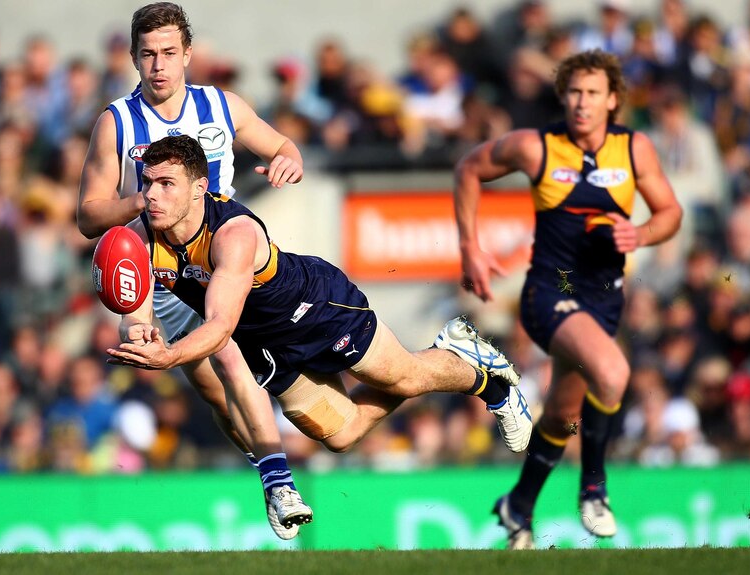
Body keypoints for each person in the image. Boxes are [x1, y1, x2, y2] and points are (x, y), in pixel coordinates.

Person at [103, 134, 533, 482]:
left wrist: (172, 356)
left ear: (200, 188)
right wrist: (139, 333)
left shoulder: (232, 235)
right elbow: (135, 309)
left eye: (166, 184)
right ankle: (448, 348)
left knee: (405, 378)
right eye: (147, 183)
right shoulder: (139, 237)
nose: (151, 196)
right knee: (342, 435)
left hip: (315, 309)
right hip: (265, 343)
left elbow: (219, 325)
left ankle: (487, 384)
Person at [76, 2, 308, 539]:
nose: (159, 65)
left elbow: (282, 145)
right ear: (134, 58)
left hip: (212, 258)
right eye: (148, 54)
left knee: (227, 354)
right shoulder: (116, 122)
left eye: (169, 53)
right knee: (211, 392)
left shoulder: (221, 107)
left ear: (188, 55)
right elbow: (89, 215)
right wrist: (144, 200)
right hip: (154, 269)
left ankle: (279, 481)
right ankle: (264, 464)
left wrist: (287, 159)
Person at [453, 49, 682, 549]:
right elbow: (469, 169)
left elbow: (669, 213)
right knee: (614, 373)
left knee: (561, 413)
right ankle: (594, 489)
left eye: (593, 93)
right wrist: (471, 246)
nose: (582, 102)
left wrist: (641, 235)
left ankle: (518, 505)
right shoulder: (537, 147)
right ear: (563, 95)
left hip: (605, 299)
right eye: (574, 92)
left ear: (613, 100)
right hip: (549, 291)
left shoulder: (634, 149)